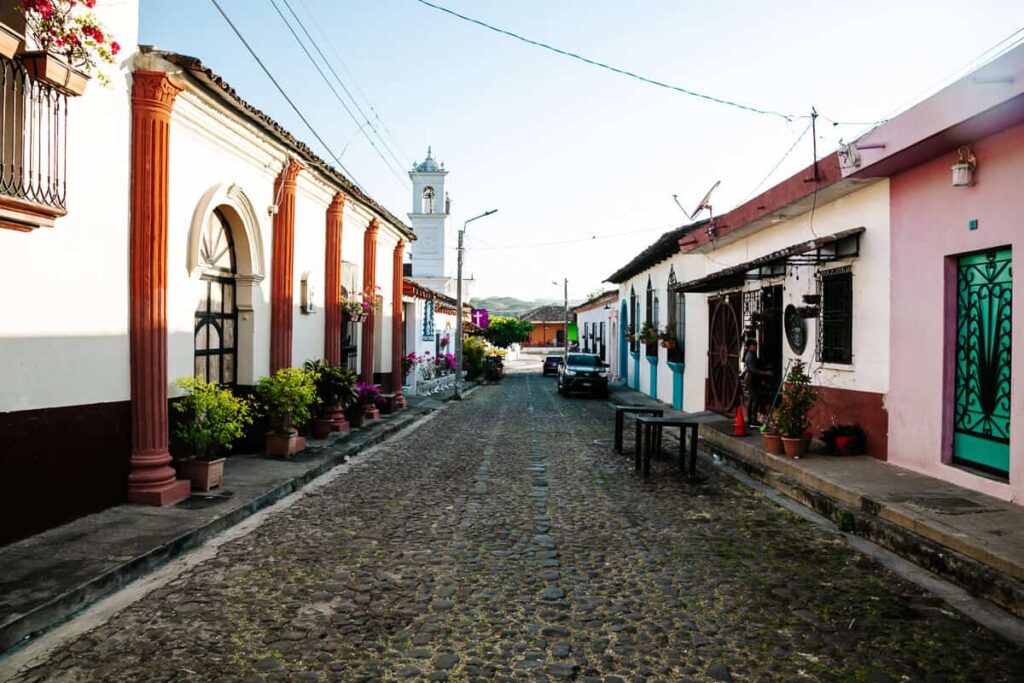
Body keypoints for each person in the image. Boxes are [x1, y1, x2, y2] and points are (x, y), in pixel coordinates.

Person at [742, 339, 772, 426]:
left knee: (752, 398)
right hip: (750, 378)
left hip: (751, 378)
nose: (756, 347)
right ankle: (753, 419)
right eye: (754, 346)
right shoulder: (750, 356)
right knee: (755, 399)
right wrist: (766, 373)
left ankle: (750, 419)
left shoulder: (751, 355)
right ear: (750, 347)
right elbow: (753, 370)